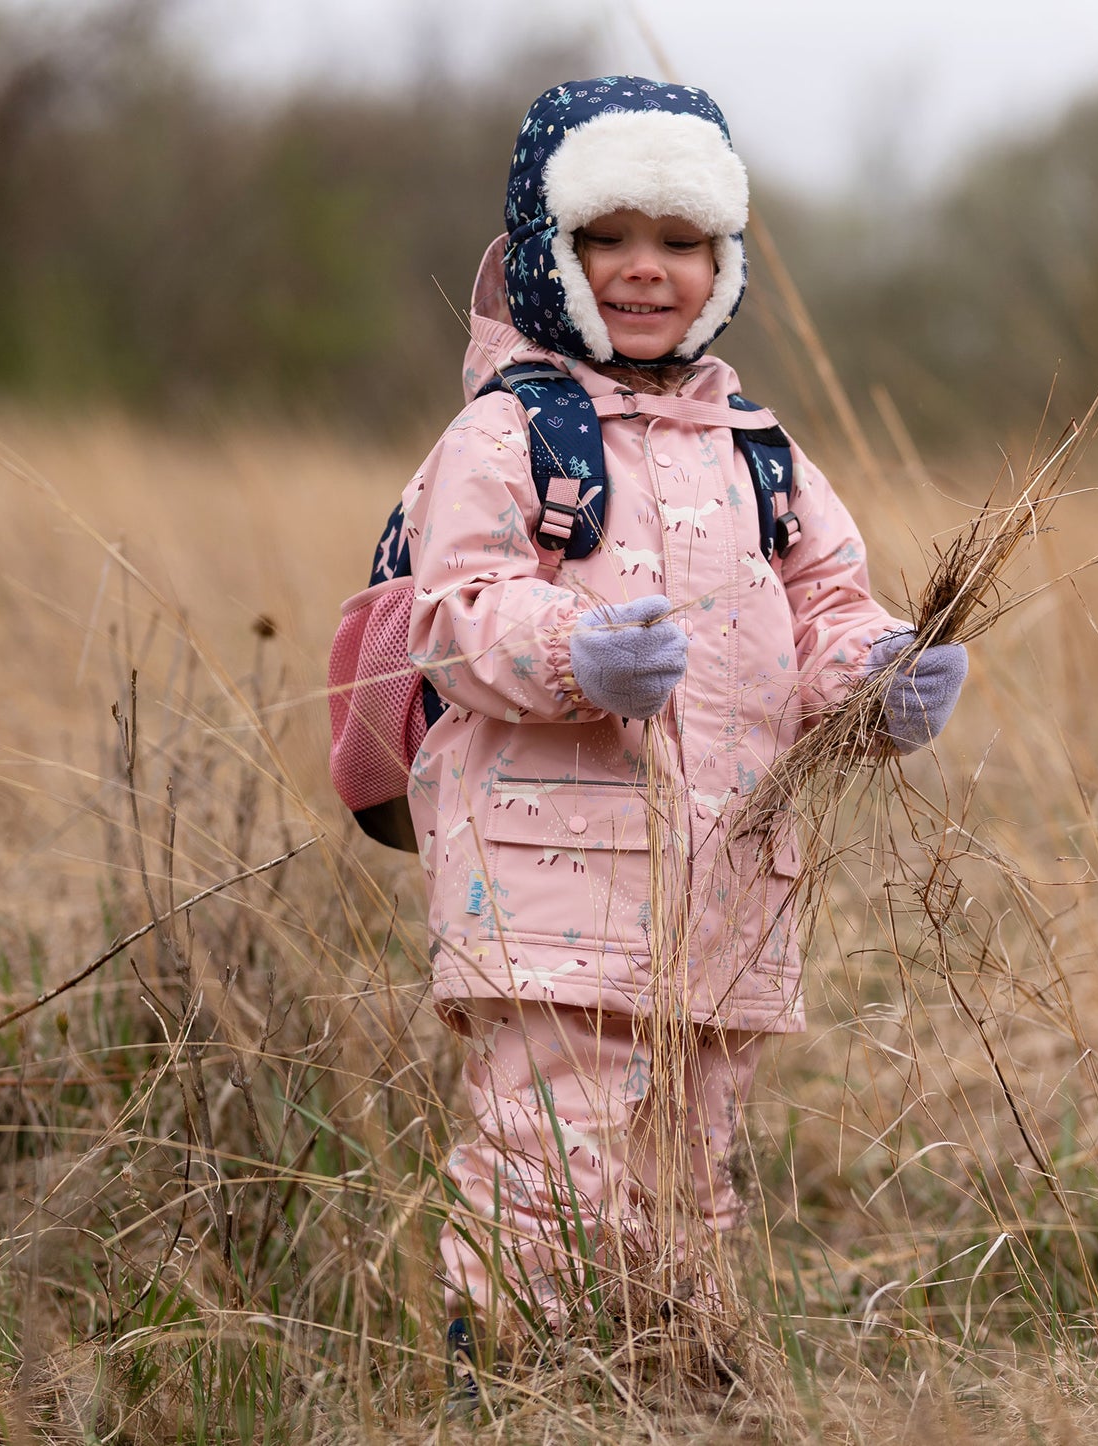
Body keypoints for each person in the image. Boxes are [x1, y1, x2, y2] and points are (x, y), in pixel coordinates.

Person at [395, 76, 968, 1381]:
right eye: (606, 236)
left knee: (687, 1170)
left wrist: (880, 677)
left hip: (726, 887)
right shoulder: (510, 432)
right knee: (549, 1161)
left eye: (680, 239)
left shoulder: (758, 449)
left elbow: (825, 606)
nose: (644, 268)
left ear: (724, 260)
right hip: (548, 889)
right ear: (547, 252)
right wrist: (574, 652)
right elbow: (453, 609)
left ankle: (669, 1376)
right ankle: (517, 1386)